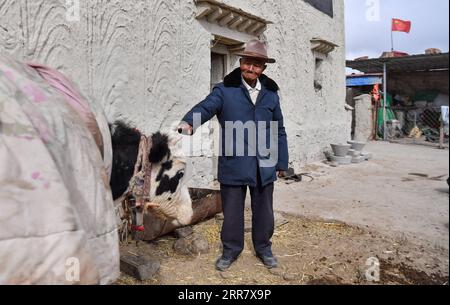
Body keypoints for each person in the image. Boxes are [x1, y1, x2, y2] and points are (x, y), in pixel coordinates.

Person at [178, 39, 289, 271]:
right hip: (234, 160)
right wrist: (190, 122)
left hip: (264, 161)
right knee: (232, 212)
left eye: (257, 65)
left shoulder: (271, 92)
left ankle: (264, 249)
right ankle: (230, 251)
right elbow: (206, 107)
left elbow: (279, 128)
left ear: (263, 68)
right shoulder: (224, 89)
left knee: (264, 211)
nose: (251, 69)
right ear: (240, 62)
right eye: (247, 63)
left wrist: (282, 161)